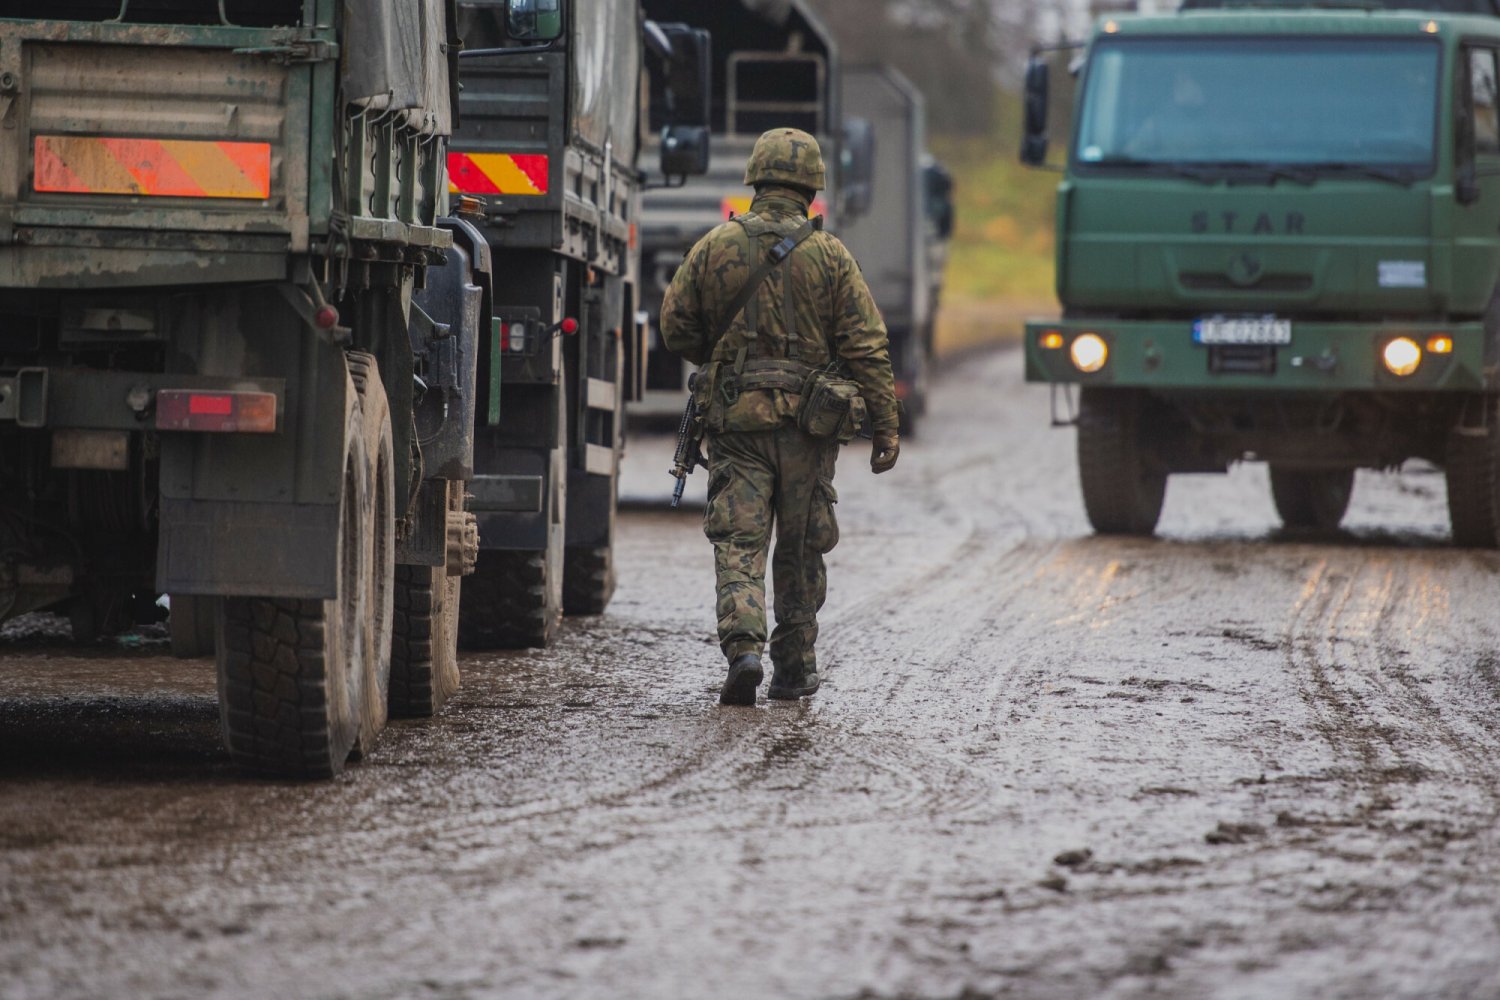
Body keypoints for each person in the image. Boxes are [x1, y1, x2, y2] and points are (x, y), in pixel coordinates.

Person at [660, 127, 900, 706]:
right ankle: (794, 669)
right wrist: (886, 426)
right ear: (812, 190)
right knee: (799, 547)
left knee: (739, 543)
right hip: (808, 433)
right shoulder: (832, 256)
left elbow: (675, 328)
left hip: (738, 428)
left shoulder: (716, 245)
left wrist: (726, 356)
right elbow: (867, 344)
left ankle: (744, 649)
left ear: (755, 179)